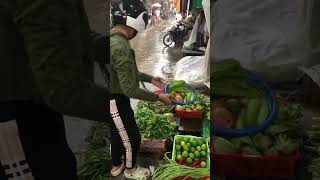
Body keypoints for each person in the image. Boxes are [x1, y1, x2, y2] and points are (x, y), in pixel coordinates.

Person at [0, 0, 109, 179]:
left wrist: (115, 49)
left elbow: (63, 33)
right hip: (14, 115)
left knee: (60, 165)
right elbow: (63, 92)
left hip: (37, 99)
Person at [110, 0, 172, 179]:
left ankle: (116, 165)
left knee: (117, 133)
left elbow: (127, 71)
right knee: (132, 137)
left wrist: (150, 78)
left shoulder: (114, 39)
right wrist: (159, 98)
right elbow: (130, 89)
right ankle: (130, 170)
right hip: (116, 100)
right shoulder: (120, 46)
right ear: (136, 22)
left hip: (113, 97)